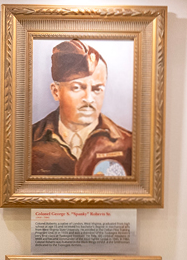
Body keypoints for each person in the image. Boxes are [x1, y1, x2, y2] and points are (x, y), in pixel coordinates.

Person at [31, 40, 132, 178]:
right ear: (56, 92)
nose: (89, 98)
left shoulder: (128, 144)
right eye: (77, 87)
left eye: (97, 89)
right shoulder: (28, 142)